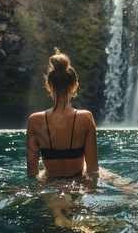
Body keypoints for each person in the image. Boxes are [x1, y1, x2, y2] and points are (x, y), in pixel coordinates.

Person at [26, 48, 98, 179]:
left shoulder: (34, 120)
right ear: (75, 86)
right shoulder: (86, 118)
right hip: (78, 182)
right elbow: (93, 171)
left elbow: (32, 174)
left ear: (48, 86)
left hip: (49, 183)